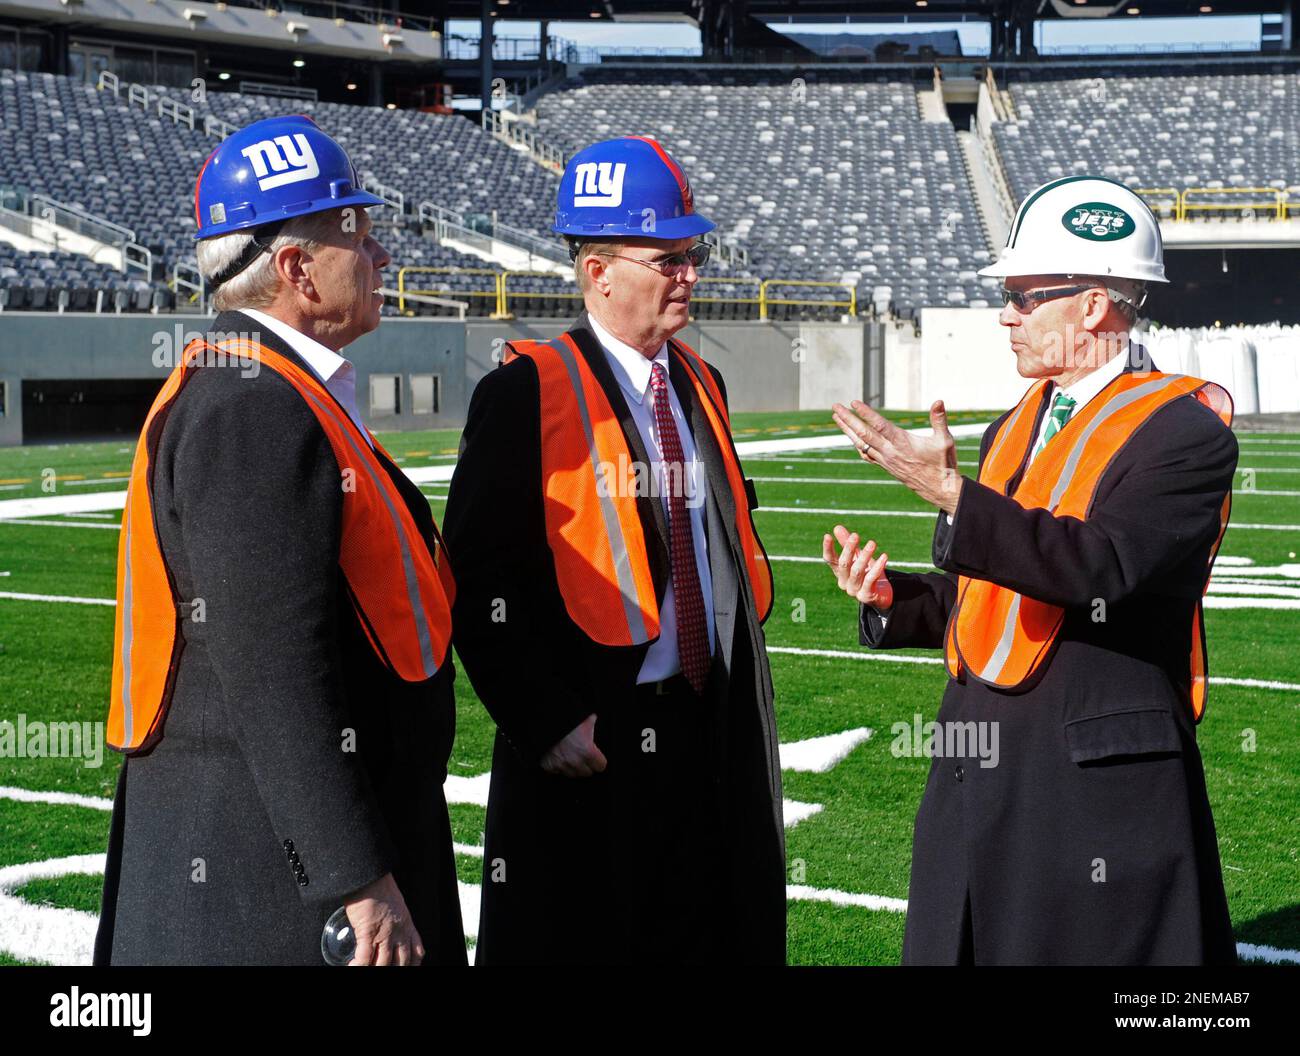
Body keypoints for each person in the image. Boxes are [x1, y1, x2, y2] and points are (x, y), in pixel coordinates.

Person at [824, 176, 1238, 965]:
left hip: (1088, 782)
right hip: (976, 769)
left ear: (1092, 305)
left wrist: (950, 494)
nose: (1005, 314)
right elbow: (999, 588)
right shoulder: (1013, 424)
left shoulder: (1187, 431)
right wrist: (898, 601)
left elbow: (1100, 567)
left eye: (1023, 294)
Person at [94, 115, 465, 966]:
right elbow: (274, 664)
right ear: (297, 269)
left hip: (269, 858)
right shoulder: (252, 403)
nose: (380, 258)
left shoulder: (273, 387)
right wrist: (353, 877)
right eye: (359, 236)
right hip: (259, 886)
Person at [443, 136, 785, 964]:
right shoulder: (523, 391)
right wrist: (543, 720)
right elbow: (474, 577)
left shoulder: (704, 382)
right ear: (598, 271)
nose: (690, 274)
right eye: (668, 258)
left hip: (708, 723)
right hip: (596, 738)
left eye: (692, 254)